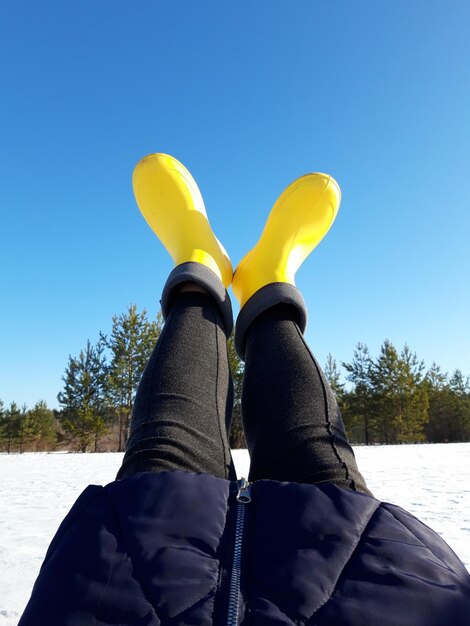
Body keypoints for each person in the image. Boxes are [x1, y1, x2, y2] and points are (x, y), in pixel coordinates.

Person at [20, 154, 470, 626]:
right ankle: (268, 279)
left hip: (120, 579)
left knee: (163, 456)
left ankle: (198, 264)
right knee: (316, 458)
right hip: (377, 582)